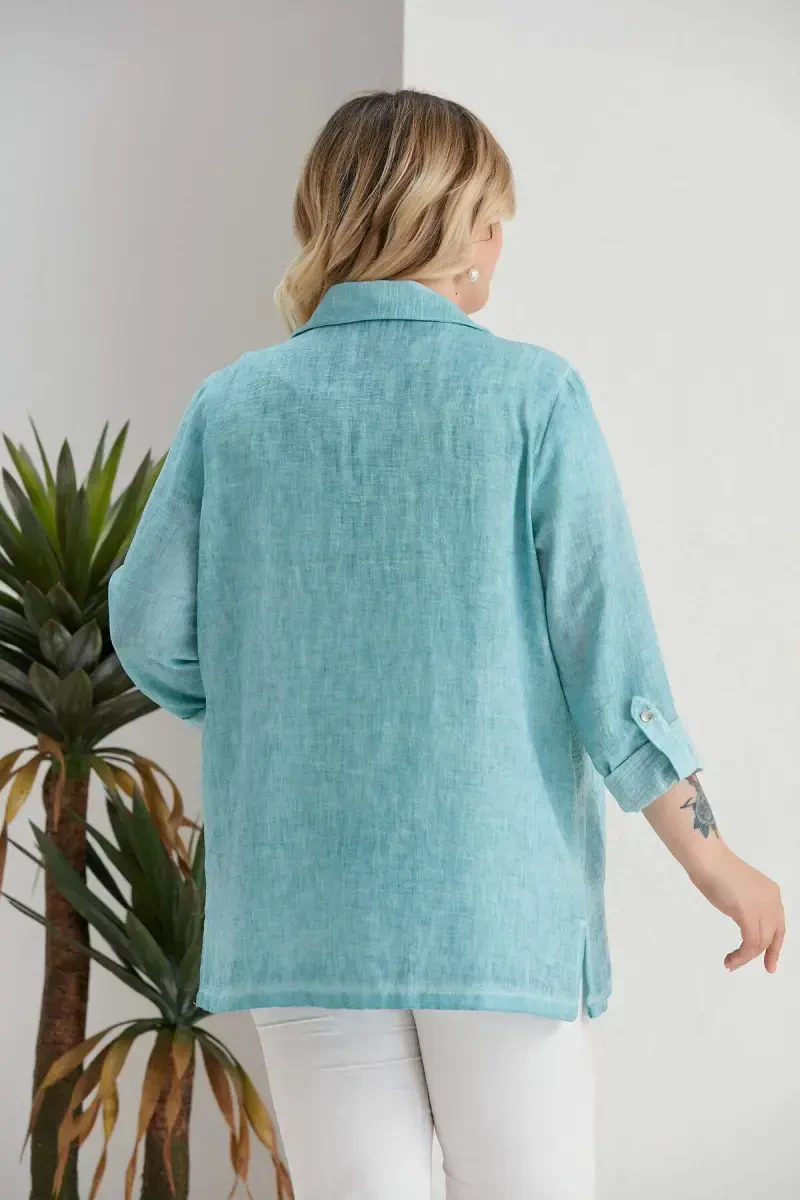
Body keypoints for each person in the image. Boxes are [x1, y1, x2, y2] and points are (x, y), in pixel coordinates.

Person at [108, 88, 785, 1200]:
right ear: (461, 229)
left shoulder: (234, 406)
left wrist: (272, 690)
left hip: (301, 908)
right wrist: (714, 861)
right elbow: (607, 658)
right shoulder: (532, 396)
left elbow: (145, 626)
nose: (500, 240)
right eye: (492, 216)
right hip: (493, 910)